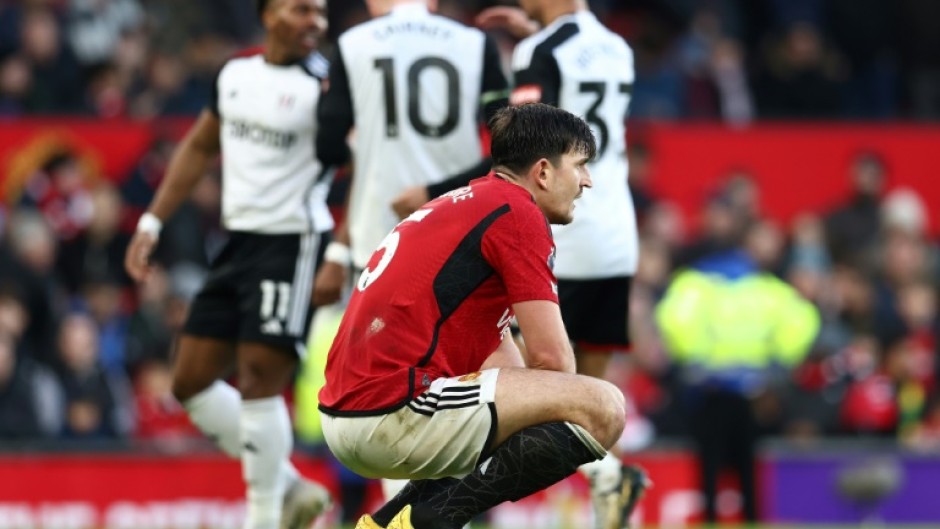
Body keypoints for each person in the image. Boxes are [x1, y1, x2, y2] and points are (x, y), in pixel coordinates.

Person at [319, 103, 626, 529]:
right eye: (580, 165)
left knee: (535, 419)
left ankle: (388, 522)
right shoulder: (517, 213)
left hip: (348, 414)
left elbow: (515, 381)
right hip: (388, 409)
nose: (587, 181)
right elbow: (555, 365)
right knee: (603, 406)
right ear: (542, 172)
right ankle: (429, 520)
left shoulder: (465, 205)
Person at [124, 1, 333, 528]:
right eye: (301, 9)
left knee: (260, 375)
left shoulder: (327, 87)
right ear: (267, 15)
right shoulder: (236, 75)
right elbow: (198, 147)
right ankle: (284, 485)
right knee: (189, 380)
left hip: (294, 241)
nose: (315, 21)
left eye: (322, 12)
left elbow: (364, 157)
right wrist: (152, 221)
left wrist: (346, 248)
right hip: (239, 241)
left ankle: (263, 517)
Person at [473, 2, 649, 527]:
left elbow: (519, 138)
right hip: (618, 231)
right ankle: (607, 477)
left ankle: (487, 505)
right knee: (585, 399)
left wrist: (525, 55)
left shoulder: (538, 51)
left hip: (563, 232)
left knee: (514, 382)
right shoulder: (618, 47)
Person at [314, 0, 510, 302]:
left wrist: (365, 147)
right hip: (461, 223)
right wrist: (436, 189)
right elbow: (507, 144)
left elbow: (327, 148)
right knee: (464, 344)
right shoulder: (475, 42)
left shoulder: (352, 43)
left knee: (386, 343)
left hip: (380, 228)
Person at [656, 219, 820, 524]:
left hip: (707, 388)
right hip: (752, 391)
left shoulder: (694, 282)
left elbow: (672, 317)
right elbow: (803, 322)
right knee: (747, 471)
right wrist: (777, 364)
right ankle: (751, 519)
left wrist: (695, 359)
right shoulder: (770, 289)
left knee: (710, 469)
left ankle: (713, 519)